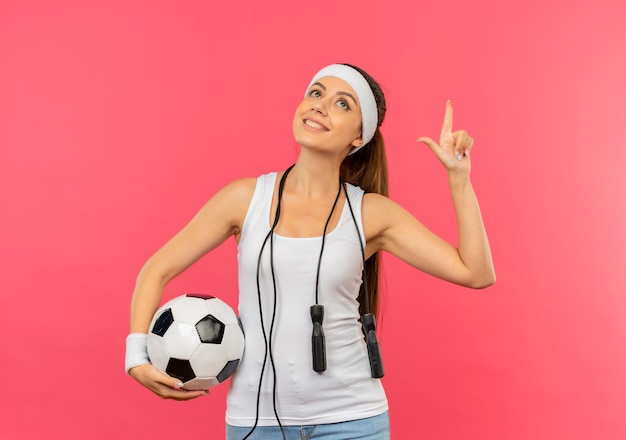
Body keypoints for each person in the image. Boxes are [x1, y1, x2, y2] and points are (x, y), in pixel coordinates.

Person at [125, 63, 496, 439]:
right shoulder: (244, 199)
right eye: (316, 94)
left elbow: (476, 273)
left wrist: (458, 177)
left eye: (342, 104)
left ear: (359, 137)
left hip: (354, 419)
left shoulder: (371, 213)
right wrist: (136, 355)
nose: (319, 106)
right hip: (257, 423)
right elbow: (156, 270)